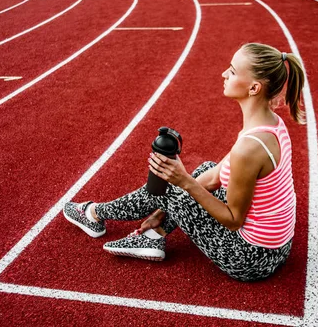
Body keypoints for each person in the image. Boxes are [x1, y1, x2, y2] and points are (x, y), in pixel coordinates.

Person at [64, 43, 305, 281]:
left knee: (166, 186)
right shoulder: (270, 124)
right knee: (205, 169)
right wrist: (163, 211)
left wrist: (183, 182)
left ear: (254, 88)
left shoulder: (249, 148)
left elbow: (233, 221)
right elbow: (212, 178)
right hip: (276, 248)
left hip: (250, 260)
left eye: (231, 71)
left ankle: (95, 213)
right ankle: (152, 236)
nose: (224, 74)